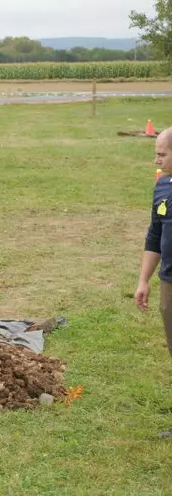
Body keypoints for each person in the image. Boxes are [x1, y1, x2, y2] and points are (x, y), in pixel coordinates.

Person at [133, 126, 172, 439]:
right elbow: (154, 236)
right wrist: (144, 280)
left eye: (162, 154)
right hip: (169, 283)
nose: (156, 159)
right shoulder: (162, 188)